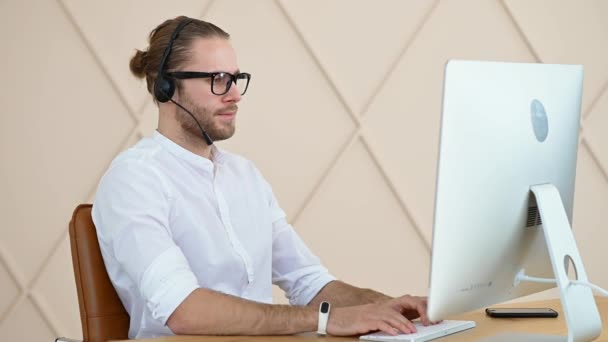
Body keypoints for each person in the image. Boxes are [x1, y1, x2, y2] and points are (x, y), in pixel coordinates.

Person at [92, 15, 434, 339]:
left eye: (235, 78)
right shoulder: (134, 180)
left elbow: (308, 282)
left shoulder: (244, 176)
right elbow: (184, 310)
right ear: (167, 87)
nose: (235, 94)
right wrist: (325, 320)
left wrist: (388, 307)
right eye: (217, 80)